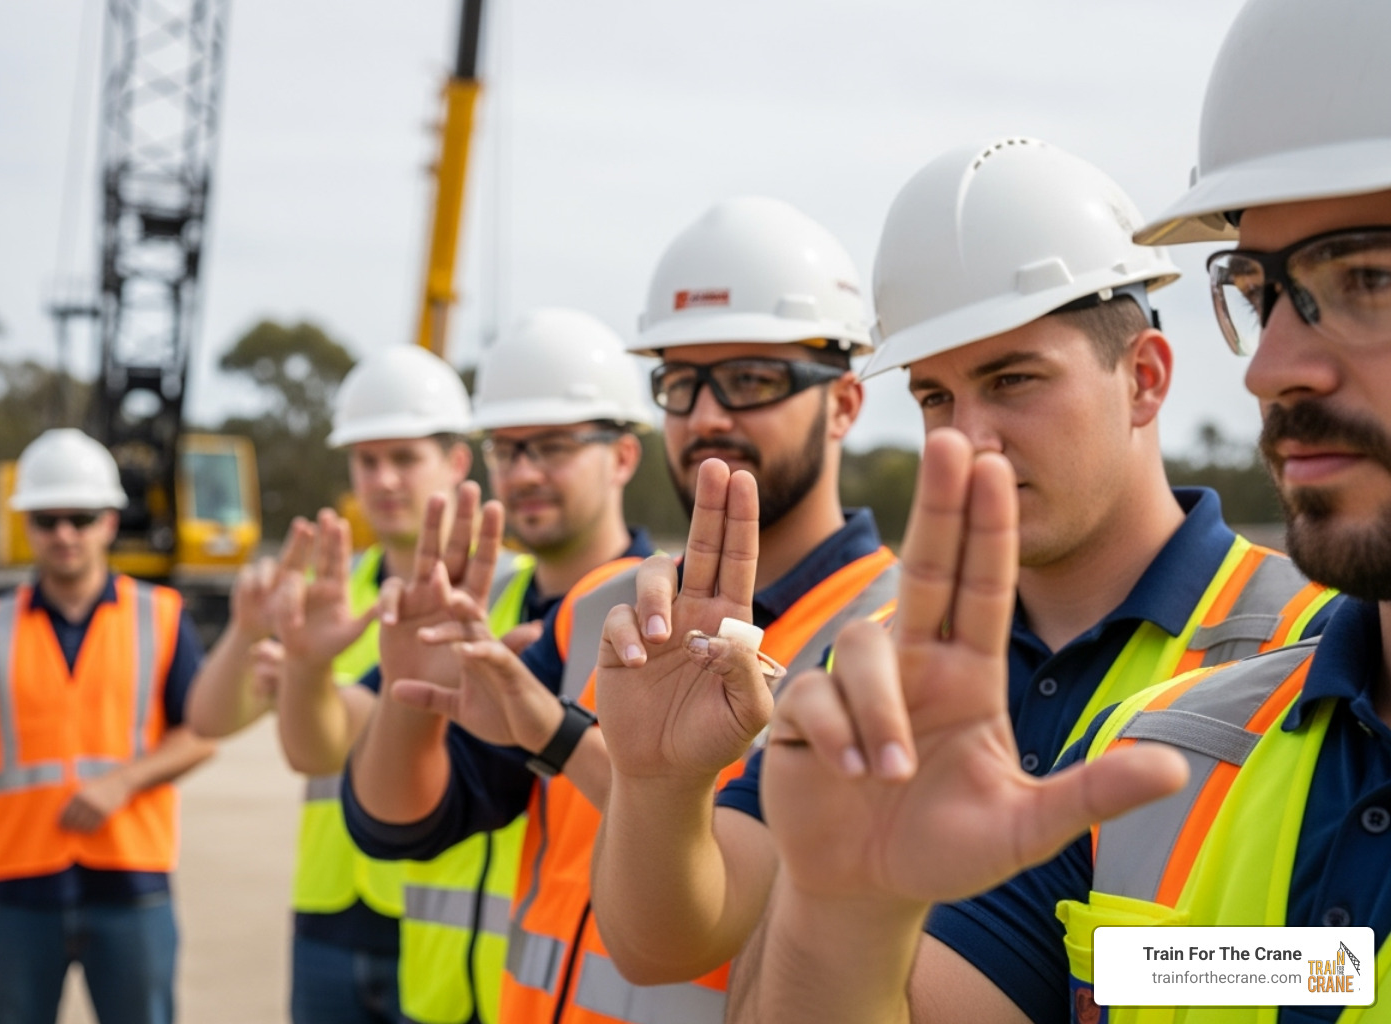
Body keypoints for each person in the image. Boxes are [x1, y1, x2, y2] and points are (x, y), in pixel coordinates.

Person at [732, 0, 1391, 1020]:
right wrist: (843, 910)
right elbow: (1310, 970)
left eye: (1366, 278)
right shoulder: (1160, 753)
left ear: (1144, 379)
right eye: (1260, 292)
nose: (1267, 367)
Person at [586, 138, 1342, 989]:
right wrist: (660, 784)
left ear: (1145, 378)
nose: (967, 441)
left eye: (1014, 380)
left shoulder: (1321, 651)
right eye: (936, 397)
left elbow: (1339, 976)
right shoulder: (875, 656)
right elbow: (670, 948)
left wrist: (1141, 970)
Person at [342, 195, 902, 1023]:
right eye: (681, 382)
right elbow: (401, 826)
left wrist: (567, 740)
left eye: (751, 379)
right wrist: (408, 701)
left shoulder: (886, 638)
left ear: (846, 403)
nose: (708, 413)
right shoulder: (601, 608)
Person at [269, 309, 655, 1024]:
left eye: (554, 446)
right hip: (442, 993)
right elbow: (334, 750)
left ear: (624, 457)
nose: (524, 471)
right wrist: (307, 668)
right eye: (507, 449)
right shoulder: (475, 603)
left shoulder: (654, 618)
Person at [186, 343, 475, 1024]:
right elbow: (208, 719)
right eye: (367, 460)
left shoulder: (508, 592)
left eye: (405, 458)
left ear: (457, 463)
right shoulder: (329, 596)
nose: (383, 480)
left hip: (443, 915)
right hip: (328, 910)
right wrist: (245, 633)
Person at [0, 428, 214, 1024]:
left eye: (81, 517)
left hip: (132, 881)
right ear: (27, 526)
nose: (64, 533)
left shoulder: (160, 617)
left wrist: (123, 782)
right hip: (19, 886)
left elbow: (202, 733)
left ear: (110, 523)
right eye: (47, 519)